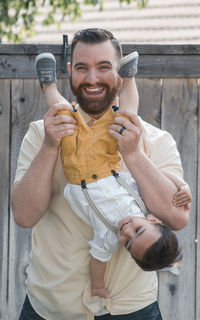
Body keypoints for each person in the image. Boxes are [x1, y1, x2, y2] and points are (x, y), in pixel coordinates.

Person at [11, 28, 190, 320]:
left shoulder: (157, 140)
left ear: (120, 74)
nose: (92, 78)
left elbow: (177, 218)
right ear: (69, 72)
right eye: (82, 68)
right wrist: (49, 146)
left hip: (133, 308)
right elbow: (24, 216)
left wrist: (133, 154)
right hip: (53, 307)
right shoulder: (40, 133)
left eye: (104, 67)